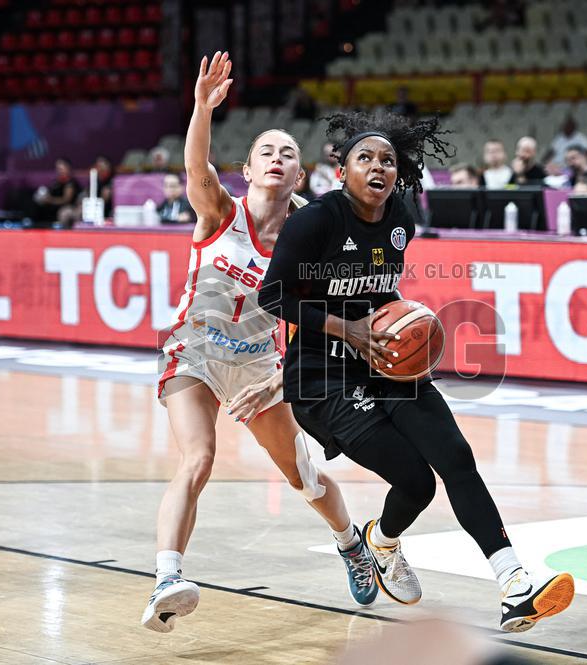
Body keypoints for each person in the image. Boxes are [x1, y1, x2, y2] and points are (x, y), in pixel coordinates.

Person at [259, 109, 575, 633]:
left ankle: (514, 584)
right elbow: (273, 296)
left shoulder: (401, 216)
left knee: (456, 455)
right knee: (416, 483)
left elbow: (379, 290)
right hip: (322, 376)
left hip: (383, 357)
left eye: (388, 159)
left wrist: (407, 325)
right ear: (344, 171)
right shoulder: (315, 221)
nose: (378, 167)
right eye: (366, 158)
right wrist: (349, 330)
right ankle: (380, 542)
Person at [143, 51, 376, 633]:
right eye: (266, 151)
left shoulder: (314, 241)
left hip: (260, 364)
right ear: (247, 169)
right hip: (195, 349)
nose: (277, 158)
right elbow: (196, 163)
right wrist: (201, 107)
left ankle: (352, 544)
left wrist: (278, 380)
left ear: (300, 175)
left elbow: (318, 332)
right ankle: (167, 579)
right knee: (197, 458)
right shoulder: (220, 211)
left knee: (302, 472)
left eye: (288, 153)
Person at [31, 157, 79, 228]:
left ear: (68, 168)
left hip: (66, 208)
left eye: (61, 169)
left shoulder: (70, 183)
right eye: (58, 169)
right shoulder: (56, 182)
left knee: (64, 213)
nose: (59, 171)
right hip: (52, 207)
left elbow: (66, 200)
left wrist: (50, 200)